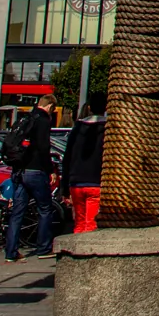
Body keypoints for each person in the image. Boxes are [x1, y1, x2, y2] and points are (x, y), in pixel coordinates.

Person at [3, 94, 59, 262]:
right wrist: (51, 169)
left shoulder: (26, 118)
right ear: (49, 106)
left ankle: (11, 252)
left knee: (17, 212)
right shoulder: (43, 121)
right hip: (36, 171)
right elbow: (43, 148)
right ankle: (43, 248)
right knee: (45, 209)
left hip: (19, 171)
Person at [62, 96, 107, 233]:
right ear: (106, 108)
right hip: (96, 182)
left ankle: (75, 249)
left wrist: (64, 187)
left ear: (89, 108)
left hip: (76, 182)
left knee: (79, 223)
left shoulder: (77, 128)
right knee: (91, 225)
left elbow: (67, 158)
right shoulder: (108, 129)